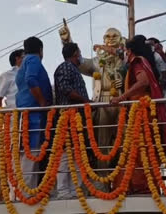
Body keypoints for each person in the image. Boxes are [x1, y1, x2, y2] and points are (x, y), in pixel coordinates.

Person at [59, 24, 126, 192]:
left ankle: (123, 182)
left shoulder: (125, 58)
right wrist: (67, 40)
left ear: (121, 39)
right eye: (107, 37)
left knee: (124, 142)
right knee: (101, 144)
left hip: (122, 103)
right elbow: (78, 62)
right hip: (102, 102)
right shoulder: (96, 61)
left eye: (114, 36)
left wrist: (123, 82)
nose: (110, 40)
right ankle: (102, 182)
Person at [111, 35, 166, 194]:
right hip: (141, 111)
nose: (125, 54)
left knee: (140, 149)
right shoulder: (145, 61)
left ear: (130, 51)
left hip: (141, 112)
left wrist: (121, 97)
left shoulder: (137, 62)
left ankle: (140, 186)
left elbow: (143, 81)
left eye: (126, 50)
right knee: (141, 149)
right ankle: (140, 185)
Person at [15, 36, 53, 191]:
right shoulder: (33, 60)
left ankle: (30, 192)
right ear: (41, 50)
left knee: (30, 155)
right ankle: (27, 194)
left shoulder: (24, 63)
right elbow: (31, 80)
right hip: (34, 115)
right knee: (31, 155)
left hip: (28, 114)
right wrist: (42, 102)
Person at [54, 43, 90, 199]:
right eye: (80, 52)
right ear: (75, 53)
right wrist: (86, 101)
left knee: (76, 153)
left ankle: (75, 190)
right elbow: (65, 89)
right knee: (65, 153)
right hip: (67, 116)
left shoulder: (74, 69)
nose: (81, 55)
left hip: (77, 116)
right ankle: (63, 190)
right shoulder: (65, 67)